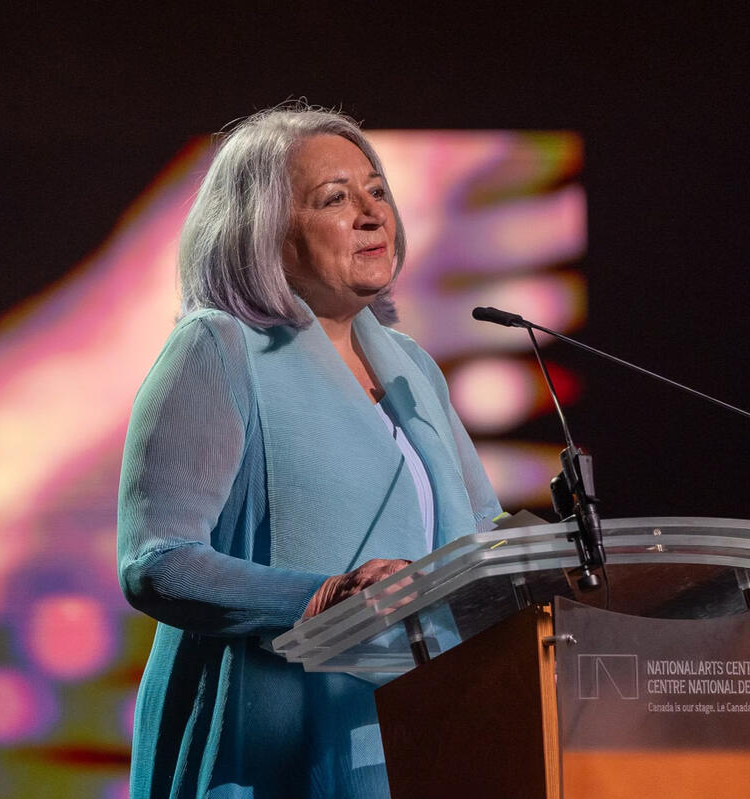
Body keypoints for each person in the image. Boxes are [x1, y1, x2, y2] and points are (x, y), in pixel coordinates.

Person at [117, 103, 501, 798]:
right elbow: (157, 561)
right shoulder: (220, 349)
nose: (371, 213)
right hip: (267, 750)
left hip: (416, 739)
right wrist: (326, 597)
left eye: (377, 190)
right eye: (335, 198)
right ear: (262, 230)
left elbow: (484, 544)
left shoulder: (412, 368)